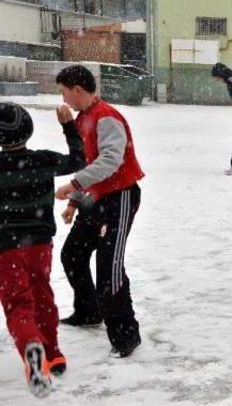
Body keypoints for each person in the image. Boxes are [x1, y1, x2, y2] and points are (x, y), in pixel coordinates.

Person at [54, 65, 145, 358]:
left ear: (76, 89)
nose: (63, 97)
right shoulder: (84, 118)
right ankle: (89, 310)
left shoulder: (106, 117)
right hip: (95, 199)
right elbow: (87, 164)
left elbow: (110, 161)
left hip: (119, 198)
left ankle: (125, 336)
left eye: (63, 90)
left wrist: (73, 185)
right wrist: (75, 202)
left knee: (110, 266)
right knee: (73, 254)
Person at [0, 102, 85, 397]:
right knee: (43, 295)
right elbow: (78, 160)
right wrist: (68, 127)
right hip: (40, 245)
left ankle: (31, 347)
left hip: (6, 249)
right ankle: (53, 353)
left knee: (18, 304)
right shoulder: (43, 160)